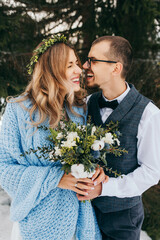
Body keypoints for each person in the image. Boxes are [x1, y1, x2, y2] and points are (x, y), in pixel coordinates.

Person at [0, 34, 105, 240]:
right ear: (51, 71)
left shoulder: (79, 109)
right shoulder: (18, 110)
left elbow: (90, 158)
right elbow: (4, 170)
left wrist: (95, 172)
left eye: (77, 63)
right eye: (70, 65)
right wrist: (55, 178)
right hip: (36, 224)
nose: (79, 70)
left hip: (78, 222)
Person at [77, 36, 160, 240]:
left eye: (93, 60)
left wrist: (104, 188)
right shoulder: (87, 103)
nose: (85, 66)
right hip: (83, 213)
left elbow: (151, 172)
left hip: (122, 220)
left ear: (116, 68)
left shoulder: (149, 114)